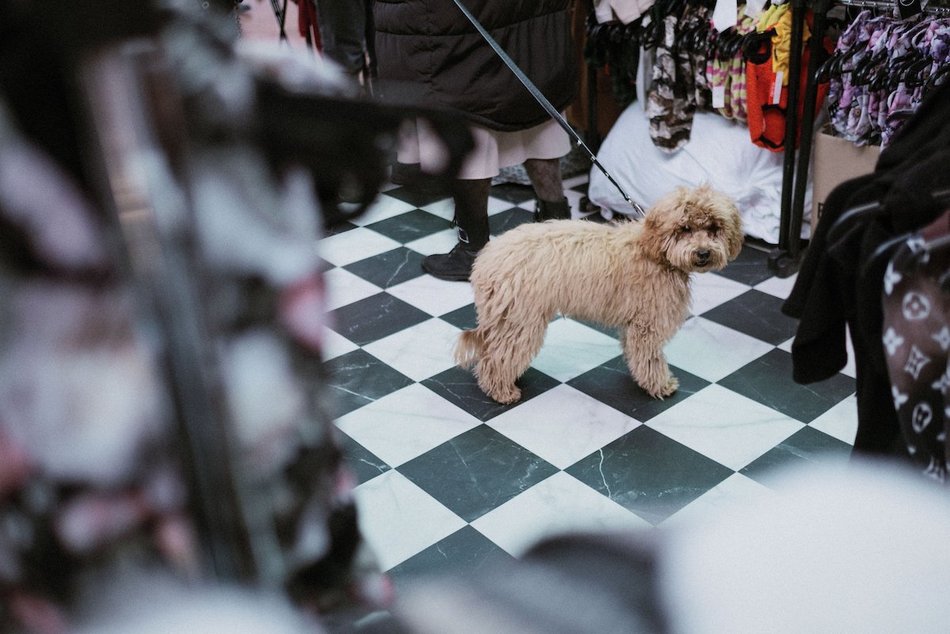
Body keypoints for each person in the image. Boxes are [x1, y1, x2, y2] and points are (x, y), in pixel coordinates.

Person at [373, 0, 578, 281]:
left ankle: (473, 249)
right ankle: (560, 236)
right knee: (536, 112)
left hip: (456, 33)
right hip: (534, 23)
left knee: (470, 117)